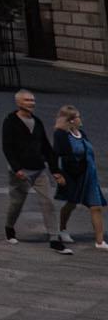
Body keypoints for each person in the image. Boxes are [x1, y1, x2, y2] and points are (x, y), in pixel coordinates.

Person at [3, 88, 68, 251]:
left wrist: (55, 170)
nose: (31, 103)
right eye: (27, 100)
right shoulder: (10, 121)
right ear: (18, 102)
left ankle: (54, 237)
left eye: (32, 100)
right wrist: (17, 168)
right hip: (20, 171)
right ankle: (9, 228)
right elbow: (7, 147)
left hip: (38, 169)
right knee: (17, 203)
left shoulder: (37, 122)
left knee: (48, 202)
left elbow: (46, 147)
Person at [51, 105, 107, 249]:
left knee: (96, 207)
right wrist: (57, 174)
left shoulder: (81, 133)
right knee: (71, 204)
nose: (80, 119)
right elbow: (56, 155)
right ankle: (62, 229)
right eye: (77, 117)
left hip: (89, 175)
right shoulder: (62, 135)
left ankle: (100, 241)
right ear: (71, 120)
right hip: (73, 176)